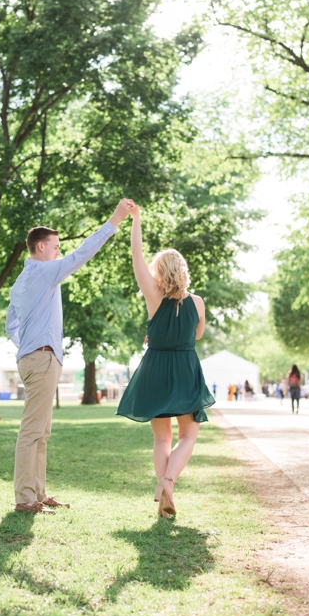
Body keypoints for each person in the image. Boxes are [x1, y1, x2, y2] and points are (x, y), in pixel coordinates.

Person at [6, 198, 135, 515]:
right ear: (39, 247)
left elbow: (11, 324)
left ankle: (37, 493)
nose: (58, 253)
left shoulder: (22, 281)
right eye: (55, 247)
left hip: (33, 357)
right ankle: (25, 499)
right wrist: (114, 221)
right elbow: (82, 254)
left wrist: (28, 345)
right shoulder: (43, 273)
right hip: (41, 358)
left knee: (41, 432)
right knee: (32, 431)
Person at [115, 203, 215, 518]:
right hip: (185, 370)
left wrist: (136, 219)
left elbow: (136, 256)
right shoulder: (197, 302)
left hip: (156, 369)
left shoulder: (152, 295)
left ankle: (163, 492)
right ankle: (169, 482)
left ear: (159, 273)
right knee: (189, 435)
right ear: (183, 271)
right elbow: (196, 337)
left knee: (162, 437)